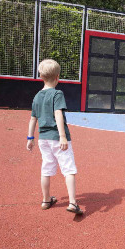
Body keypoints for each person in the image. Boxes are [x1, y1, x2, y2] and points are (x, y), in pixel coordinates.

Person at [26, 59, 83, 215]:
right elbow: (58, 114)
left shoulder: (37, 96)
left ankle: (46, 200)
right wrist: (62, 136)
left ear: (41, 77)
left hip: (43, 139)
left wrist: (30, 138)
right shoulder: (57, 94)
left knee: (46, 169)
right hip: (57, 137)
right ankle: (72, 203)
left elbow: (33, 119)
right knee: (69, 169)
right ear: (57, 77)